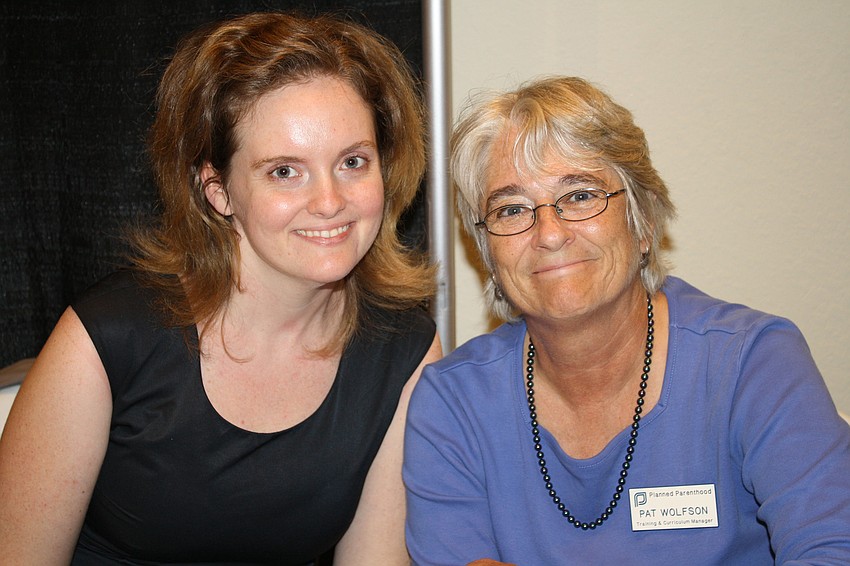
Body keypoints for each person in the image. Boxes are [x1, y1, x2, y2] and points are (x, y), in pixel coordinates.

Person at [0, 11, 441, 565]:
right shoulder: (107, 338)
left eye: (353, 162)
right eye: (285, 171)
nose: (330, 201)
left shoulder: (404, 350)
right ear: (218, 191)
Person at [403, 76, 850, 565]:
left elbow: (829, 549)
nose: (549, 234)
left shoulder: (753, 363)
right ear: (487, 250)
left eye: (579, 196)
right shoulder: (453, 403)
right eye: (511, 209)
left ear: (643, 220)